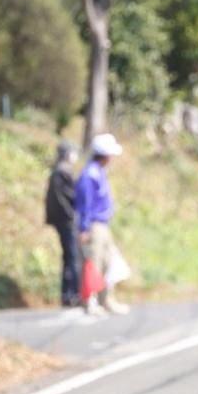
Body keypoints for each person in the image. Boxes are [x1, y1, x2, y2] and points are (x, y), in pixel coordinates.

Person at [75, 133, 129, 315]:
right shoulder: (89, 174)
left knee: (107, 261)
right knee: (93, 262)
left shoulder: (99, 172)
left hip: (103, 224)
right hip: (94, 225)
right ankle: (90, 300)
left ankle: (106, 298)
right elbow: (85, 204)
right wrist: (84, 227)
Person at [45, 140, 82, 307]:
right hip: (67, 221)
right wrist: (74, 215)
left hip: (63, 220)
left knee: (69, 257)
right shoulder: (63, 171)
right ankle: (72, 293)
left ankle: (68, 294)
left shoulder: (57, 171)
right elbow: (70, 197)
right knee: (73, 257)